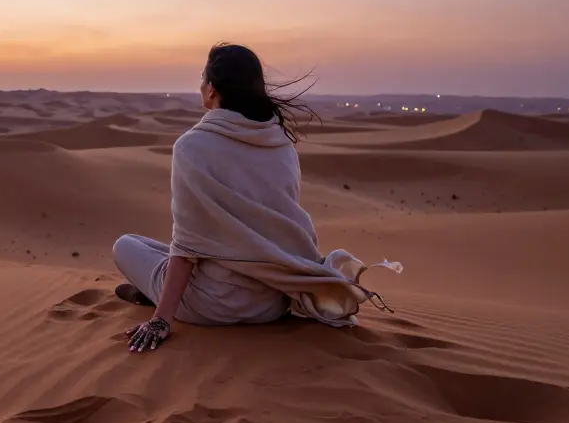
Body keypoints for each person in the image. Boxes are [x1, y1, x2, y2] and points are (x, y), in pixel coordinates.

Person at [115, 43, 400, 352]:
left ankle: (158, 298)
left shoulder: (191, 147)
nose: (200, 85)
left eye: (202, 78)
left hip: (213, 308)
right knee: (157, 249)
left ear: (212, 89)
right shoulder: (282, 144)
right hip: (273, 303)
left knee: (126, 245)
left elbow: (186, 248)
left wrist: (161, 321)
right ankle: (156, 292)